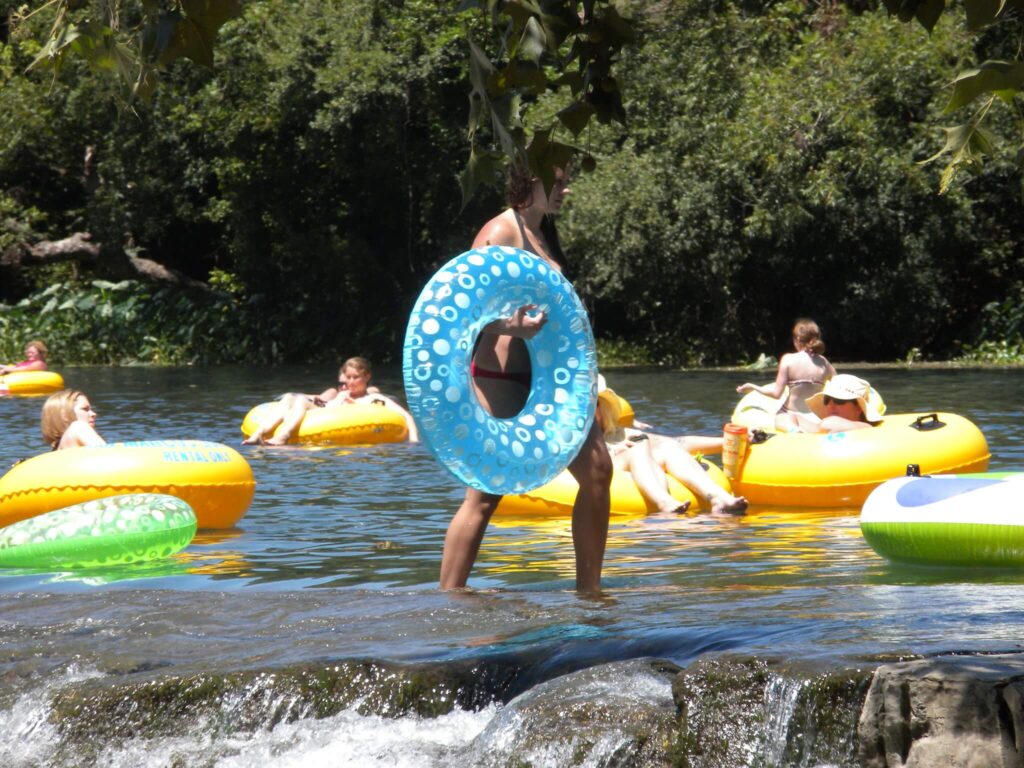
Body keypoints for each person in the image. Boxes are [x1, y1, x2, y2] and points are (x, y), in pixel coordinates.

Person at [439, 163, 613, 594]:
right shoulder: (500, 231)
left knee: (597, 473)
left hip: (555, 381)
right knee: (484, 495)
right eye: (556, 182)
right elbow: (460, 313)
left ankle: (589, 595)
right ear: (527, 180)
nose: (565, 190)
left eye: (566, 181)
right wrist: (508, 328)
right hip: (502, 376)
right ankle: (449, 597)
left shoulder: (543, 233)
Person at [597, 380, 748, 516]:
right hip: (598, 471)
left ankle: (718, 498)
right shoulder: (575, 437)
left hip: (629, 463)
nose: (589, 409)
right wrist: (613, 451)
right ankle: (664, 501)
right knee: (637, 448)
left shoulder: (619, 433)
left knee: (667, 446)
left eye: (594, 403)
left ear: (602, 407)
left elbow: (680, 443)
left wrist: (731, 442)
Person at [243, 357, 418, 445]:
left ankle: (284, 435)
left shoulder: (373, 398)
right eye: (347, 377)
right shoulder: (340, 394)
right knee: (291, 397)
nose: (350, 382)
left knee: (301, 402)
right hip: (324, 413)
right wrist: (338, 400)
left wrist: (413, 440)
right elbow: (327, 407)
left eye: (356, 377)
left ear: (367, 377)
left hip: (337, 421)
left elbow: (405, 416)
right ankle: (259, 432)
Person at [736, 319, 836, 432]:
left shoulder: (788, 360)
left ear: (797, 339)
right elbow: (840, 386)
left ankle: (794, 430)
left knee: (779, 418)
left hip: (791, 414)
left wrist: (753, 386)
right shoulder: (824, 362)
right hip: (814, 419)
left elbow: (776, 394)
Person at [801, 374, 883, 433]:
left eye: (838, 400)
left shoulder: (865, 427)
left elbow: (829, 424)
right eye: (827, 400)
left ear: (858, 407)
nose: (830, 405)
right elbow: (791, 417)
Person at [41, 389, 105, 450]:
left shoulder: (59, 449)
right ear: (64, 415)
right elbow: (107, 455)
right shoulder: (77, 427)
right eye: (85, 409)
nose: (94, 414)